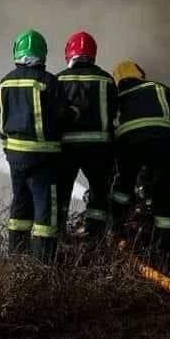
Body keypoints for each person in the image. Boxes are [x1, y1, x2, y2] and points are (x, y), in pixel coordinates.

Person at [0, 29, 81, 264]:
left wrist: (8, 149)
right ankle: (41, 265)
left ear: (17, 52)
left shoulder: (5, 82)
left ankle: (16, 259)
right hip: (44, 159)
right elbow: (61, 116)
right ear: (43, 54)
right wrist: (75, 111)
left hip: (15, 158)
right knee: (45, 211)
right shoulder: (48, 82)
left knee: (20, 206)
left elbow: (0, 120)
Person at [109, 59, 170, 251]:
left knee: (123, 186)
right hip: (163, 142)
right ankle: (166, 244)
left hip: (128, 144)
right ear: (140, 74)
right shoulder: (158, 87)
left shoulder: (115, 96)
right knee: (164, 189)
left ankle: (116, 230)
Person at [56, 31, 118, 239]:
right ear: (93, 54)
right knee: (99, 193)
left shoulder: (58, 79)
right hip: (99, 148)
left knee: (62, 192)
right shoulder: (106, 79)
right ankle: (95, 237)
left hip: (66, 148)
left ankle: (59, 236)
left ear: (68, 54)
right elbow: (114, 114)